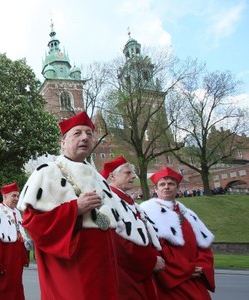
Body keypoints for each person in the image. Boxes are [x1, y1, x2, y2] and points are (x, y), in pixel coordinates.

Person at [17, 112, 150, 300]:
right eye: (77, 133)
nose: (85, 137)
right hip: (71, 268)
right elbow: (33, 224)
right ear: (63, 142)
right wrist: (75, 209)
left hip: (104, 267)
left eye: (89, 133)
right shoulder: (46, 173)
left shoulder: (98, 177)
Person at [141, 167, 215, 299]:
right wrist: (186, 269)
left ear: (178, 188)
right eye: (162, 184)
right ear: (156, 190)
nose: (166, 187)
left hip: (195, 274)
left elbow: (203, 245)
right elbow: (158, 248)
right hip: (173, 277)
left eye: (171, 184)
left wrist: (202, 266)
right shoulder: (148, 212)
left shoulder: (187, 214)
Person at [101, 156, 165, 299]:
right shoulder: (108, 201)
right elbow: (116, 241)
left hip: (138, 272)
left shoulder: (128, 203)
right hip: (125, 276)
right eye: (127, 173)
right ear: (112, 176)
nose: (133, 176)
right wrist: (151, 261)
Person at [0, 183, 31, 300]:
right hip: (5, 256)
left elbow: (20, 234)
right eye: (13, 196)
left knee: (16, 286)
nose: (16, 199)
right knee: (2, 288)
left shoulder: (17, 213)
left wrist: (24, 252)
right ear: (4, 196)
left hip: (16, 258)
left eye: (17, 196)